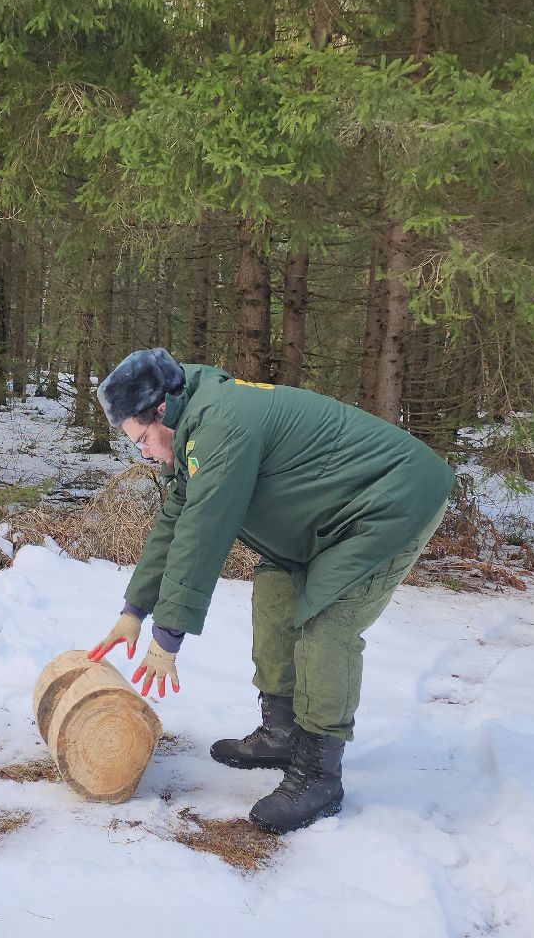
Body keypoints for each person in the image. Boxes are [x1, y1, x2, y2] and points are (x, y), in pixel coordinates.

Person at [87, 348, 455, 834]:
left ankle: (319, 773)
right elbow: (175, 519)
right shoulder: (192, 425)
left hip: (388, 503)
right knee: (275, 593)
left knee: (327, 626)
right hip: (322, 517)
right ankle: (283, 732)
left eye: (142, 441)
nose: (146, 454)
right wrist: (135, 611)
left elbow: (203, 533)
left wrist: (168, 636)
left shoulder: (221, 427)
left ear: (161, 410)